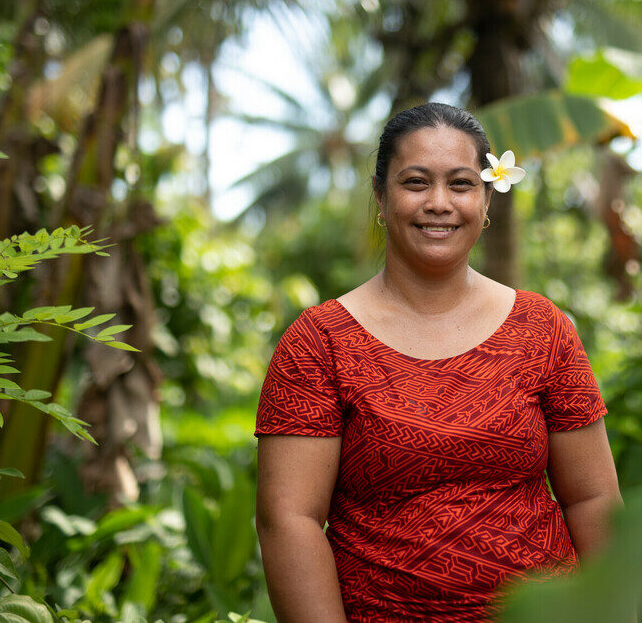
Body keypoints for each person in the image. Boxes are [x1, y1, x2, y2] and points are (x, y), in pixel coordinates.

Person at [253, 102, 625, 622]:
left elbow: (592, 499)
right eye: (415, 182)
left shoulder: (544, 329)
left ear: (486, 198)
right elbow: (288, 520)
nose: (438, 203)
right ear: (381, 196)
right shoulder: (318, 343)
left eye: (460, 184)